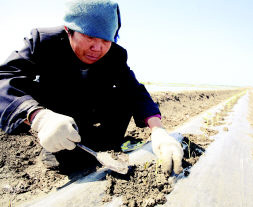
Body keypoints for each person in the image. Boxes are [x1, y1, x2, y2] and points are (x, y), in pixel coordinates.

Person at [0, 0, 183, 174]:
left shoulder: (116, 55)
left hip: (94, 112)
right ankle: (63, 145)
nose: (98, 48)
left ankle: (108, 143)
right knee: (66, 160)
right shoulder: (42, 42)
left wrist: (158, 131)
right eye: (89, 37)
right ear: (68, 30)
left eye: (106, 40)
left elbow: (135, 90)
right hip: (59, 117)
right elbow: (4, 79)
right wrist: (38, 117)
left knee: (123, 94)